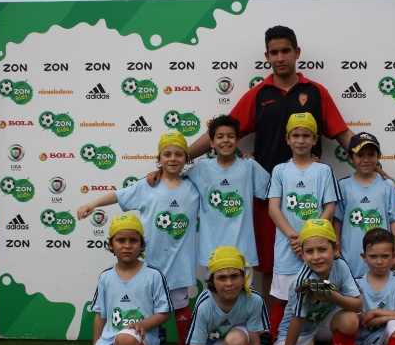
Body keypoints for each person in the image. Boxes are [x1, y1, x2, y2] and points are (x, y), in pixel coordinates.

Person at [147, 25, 355, 310]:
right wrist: (174, 163)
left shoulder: (317, 93)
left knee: (315, 261)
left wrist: (371, 161)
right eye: (274, 52)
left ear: (297, 52)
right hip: (268, 195)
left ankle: (309, 326)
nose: (280, 57)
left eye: (285, 51)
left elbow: (343, 133)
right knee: (271, 265)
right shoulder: (258, 95)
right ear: (267, 56)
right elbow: (216, 134)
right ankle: (272, 328)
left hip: (309, 196)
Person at [77, 132, 199, 345]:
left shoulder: (194, 187)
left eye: (178, 154)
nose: (173, 158)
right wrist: (93, 203)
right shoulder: (148, 185)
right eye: (167, 154)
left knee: (180, 307)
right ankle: (149, 344)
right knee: (145, 308)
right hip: (149, 263)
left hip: (179, 262)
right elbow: (119, 195)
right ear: (159, 158)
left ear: (186, 158)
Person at [75, 213, 173, 345]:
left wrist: (143, 324)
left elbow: (164, 313)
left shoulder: (153, 275)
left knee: (125, 339)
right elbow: (101, 315)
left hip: (143, 339)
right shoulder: (105, 277)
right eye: (121, 240)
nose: (127, 245)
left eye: (133, 240)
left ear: (141, 246)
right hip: (110, 341)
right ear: (110, 245)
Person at [266, 219, 362, 345]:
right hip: (299, 331)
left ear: (335, 248)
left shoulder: (341, 266)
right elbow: (297, 321)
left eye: (322, 249)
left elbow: (358, 305)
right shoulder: (302, 281)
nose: (316, 256)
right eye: (309, 251)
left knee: (350, 320)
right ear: (302, 254)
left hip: (325, 322)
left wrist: (331, 295)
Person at [266, 112, 342, 340]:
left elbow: (330, 207)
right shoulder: (280, 170)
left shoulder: (323, 171)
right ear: (287, 139)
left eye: (306, 135)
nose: (301, 140)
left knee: (315, 299)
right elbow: (273, 209)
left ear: (315, 139)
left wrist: (309, 239)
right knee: (282, 301)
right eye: (296, 135)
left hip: (315, 249)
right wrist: (294, 236)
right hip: (287, 249)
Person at [165, 246, 270, 345]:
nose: (229, 283)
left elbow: (254, 341)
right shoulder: (205, 304)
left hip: (236, 339)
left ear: (244, 276)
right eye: (222, 278)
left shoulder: (254, 299)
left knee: (235, 341)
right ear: (212, 280)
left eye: (234, 276)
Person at [183, 114, 270, 270]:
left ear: (238, 141)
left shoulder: (249, 166)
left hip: (243, 252)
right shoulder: (202, 168)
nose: (225, 140)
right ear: (211, 142)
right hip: (212, 252)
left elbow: (275, 191)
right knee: (216, 287)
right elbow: (174, 179)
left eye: (230, 136)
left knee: (243, 287)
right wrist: (159, 171)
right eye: (220, 136)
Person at [333, 132, 395, 277]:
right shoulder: (343, 186)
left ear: (379, 156)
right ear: (350, 158)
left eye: (371, 154)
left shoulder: (388, 185)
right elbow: (338, 220)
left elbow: (394, 219)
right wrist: (336, 248)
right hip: (350, 258)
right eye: (360, 155)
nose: (366, 160)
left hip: (380, 259)